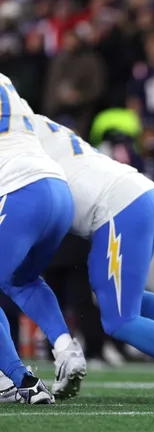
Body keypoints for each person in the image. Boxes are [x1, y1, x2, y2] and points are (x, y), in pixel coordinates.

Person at [28, 112, 154, 379]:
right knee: (128, 298)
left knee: (120, 320)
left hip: (118, 209)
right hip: (137, 195)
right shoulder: (33, 124)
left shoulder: (17, 143)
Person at [0, 73, 83, 404]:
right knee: (20, 279)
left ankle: (20, 380)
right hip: (57, 190)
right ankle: (65, 347)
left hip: (19, 191)